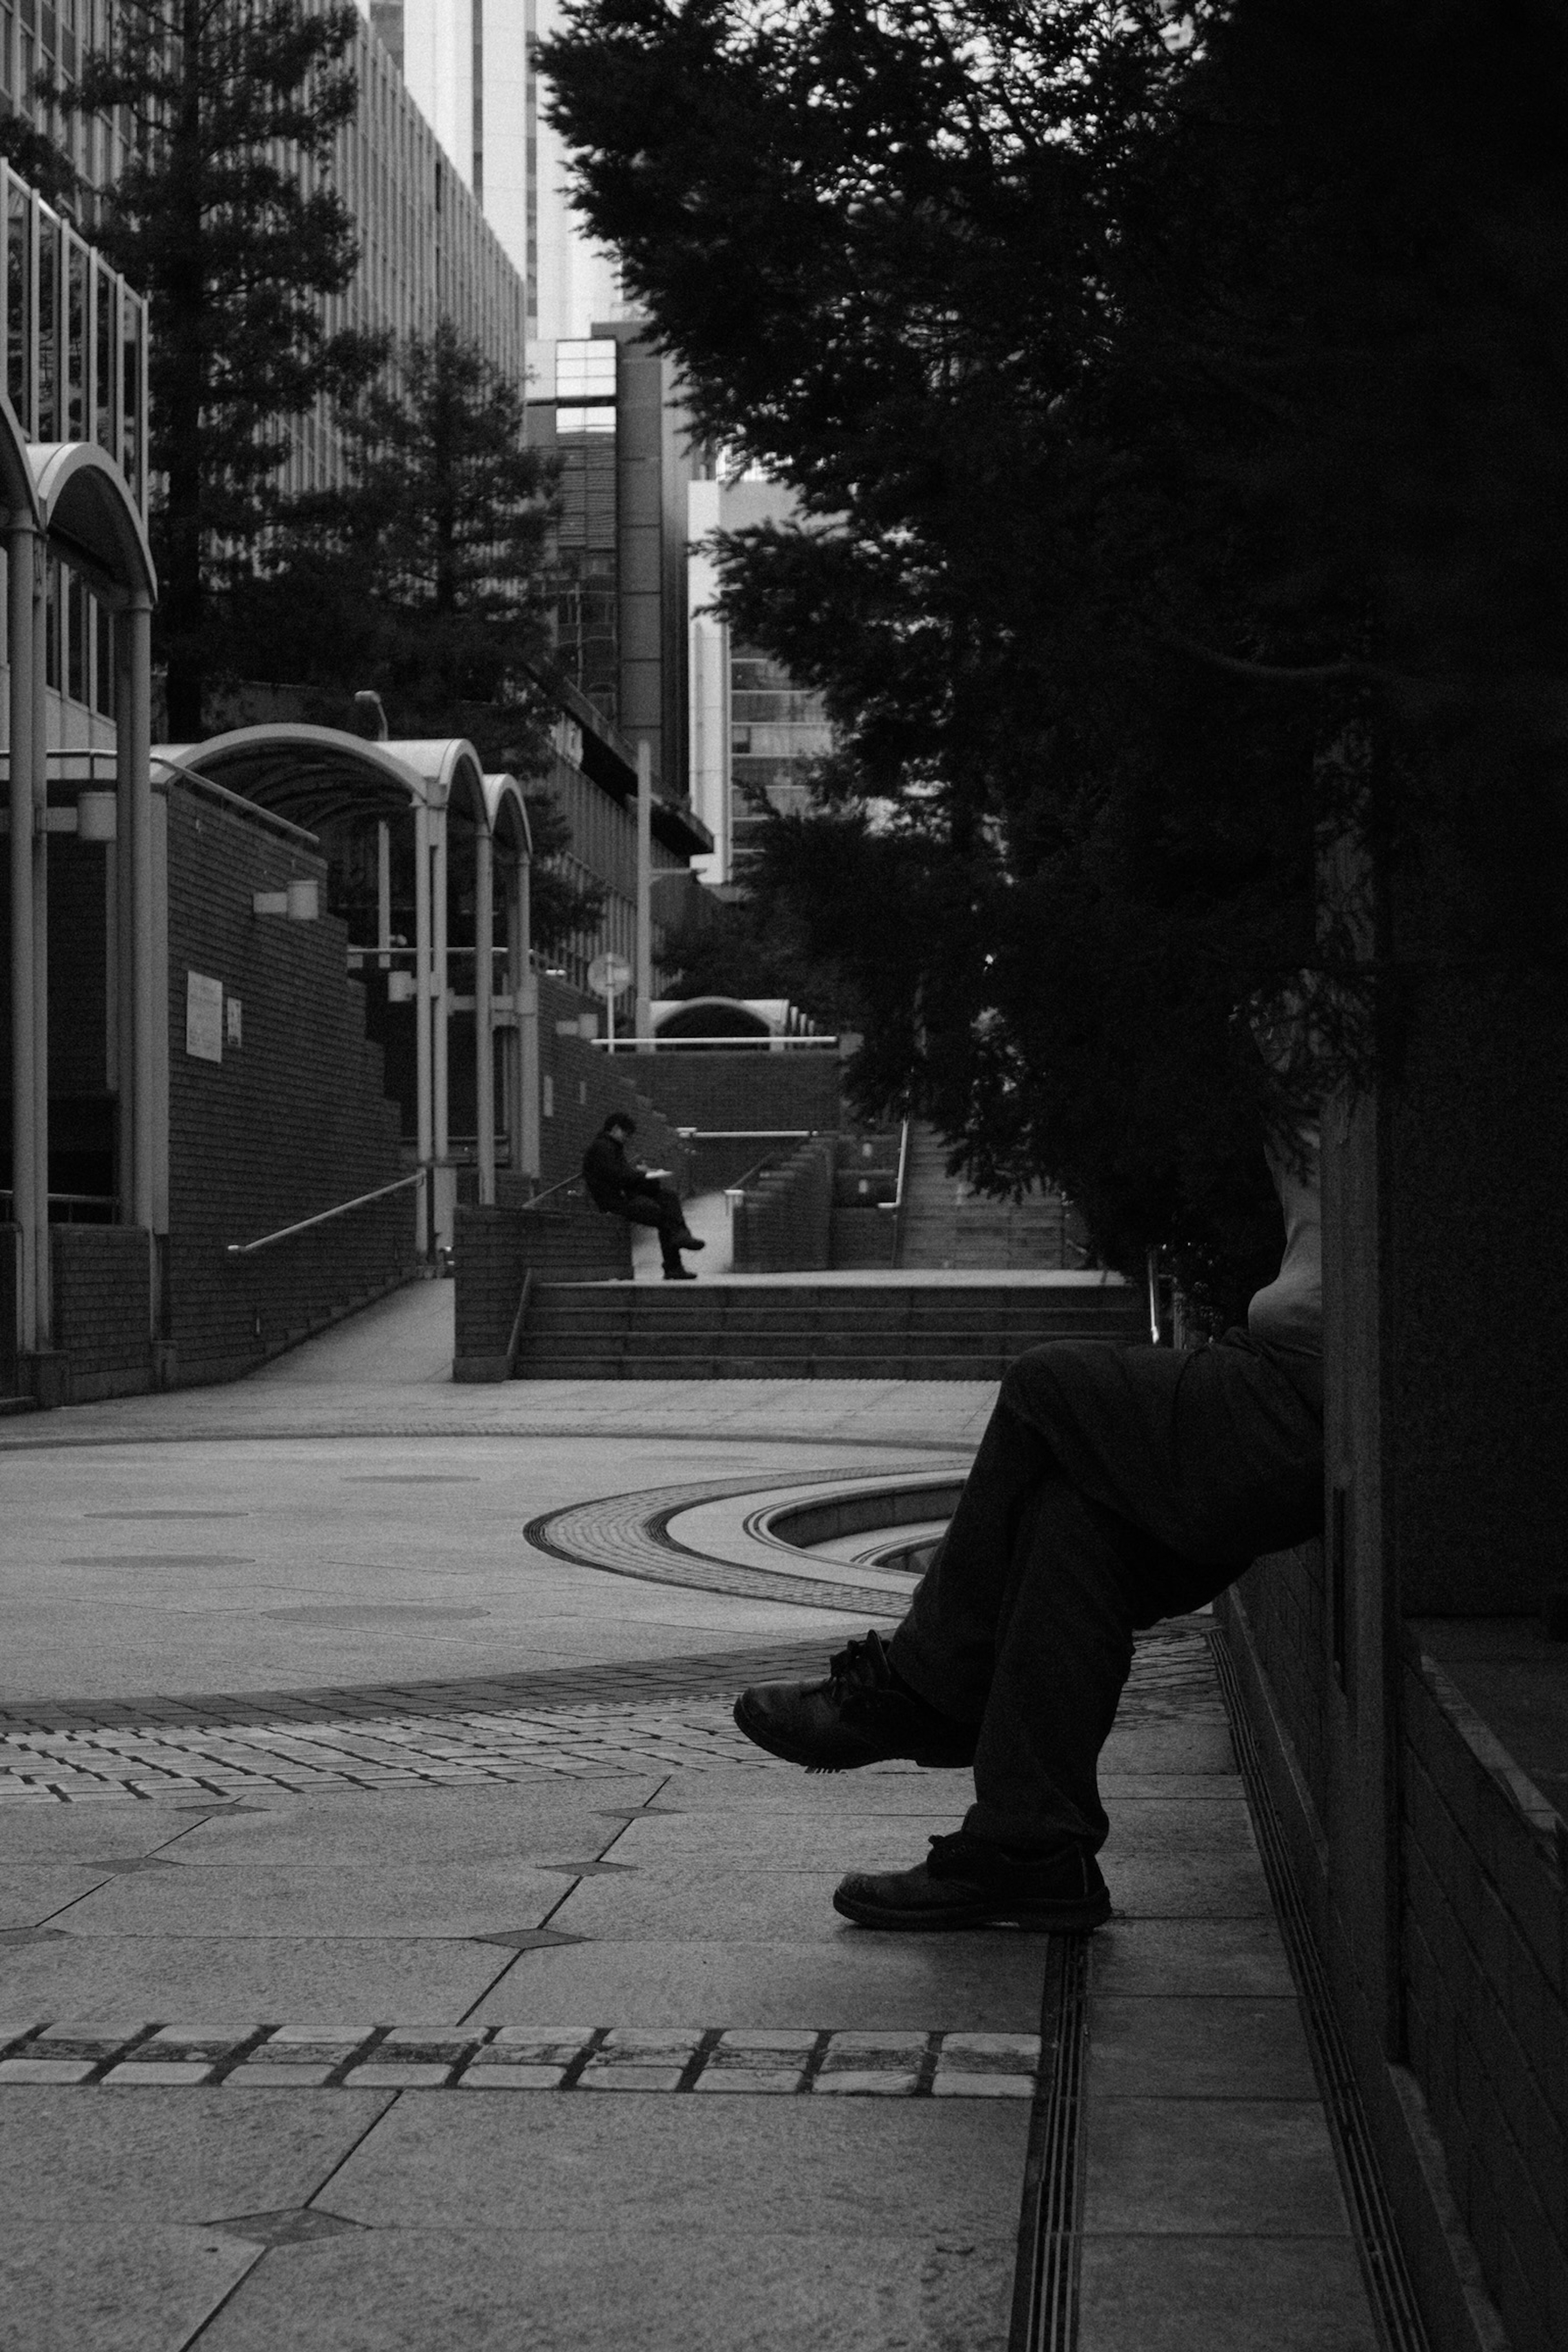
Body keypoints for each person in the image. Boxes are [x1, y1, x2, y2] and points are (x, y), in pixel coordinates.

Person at [733, 1111, 1323, 1932]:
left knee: (1047, 1385)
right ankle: (1031, 1851)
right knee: (1068, 1530)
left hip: (1304, 1405)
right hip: (1279, 1380)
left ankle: (923, 1688)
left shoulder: (1370, 1038)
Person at [581, 1111, 706, 1281]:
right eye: (626, 1134)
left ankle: (681, 1237)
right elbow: (620, 1177)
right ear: (616, 1129)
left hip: (620, 1197)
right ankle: (675, 1259)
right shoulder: (604, 1148)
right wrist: (643, 1175)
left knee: (668, 1198)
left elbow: (623, 1177)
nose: (627, 1138)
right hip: (615, 1202)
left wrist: (644, 1177)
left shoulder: (609, 1147)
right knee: (664, 1217)